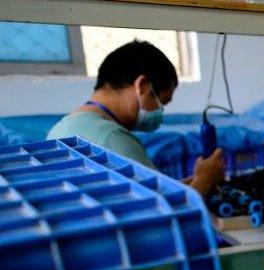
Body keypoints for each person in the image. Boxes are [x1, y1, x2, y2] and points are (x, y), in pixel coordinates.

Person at [47, 41, 225, 195]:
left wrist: (186, 186)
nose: (160, 112)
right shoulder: (112, 139)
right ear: (143, 86)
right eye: (161, 101)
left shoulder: (60, 129)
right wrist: (204, 181)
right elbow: (163, 217)